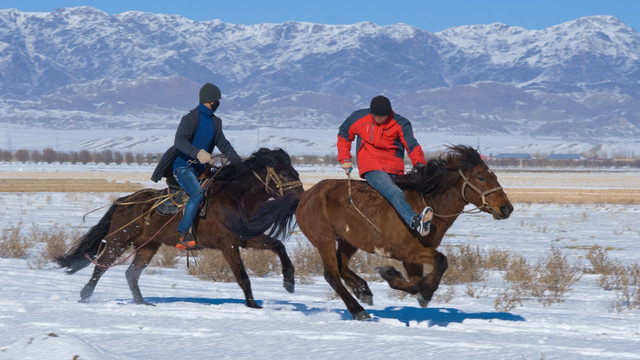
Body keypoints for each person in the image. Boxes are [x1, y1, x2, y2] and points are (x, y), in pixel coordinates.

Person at [151, 83, 242, 250]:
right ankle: (183, 235)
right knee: (197, 194)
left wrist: (241, 165)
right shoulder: (190, 118)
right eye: (217, 100)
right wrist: (199, 153)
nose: (218, 103)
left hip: (201, 170)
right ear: (211, 100)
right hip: (183, 167)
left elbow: (225, 146)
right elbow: (179, 142)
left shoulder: (215, 122)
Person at [337, 95, 433, 236]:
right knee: (395, 192)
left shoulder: (401, 123)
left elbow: (412, 145)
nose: (378, 120)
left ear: (389, 114)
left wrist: (420, 165)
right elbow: (344, 133)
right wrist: (345, 159)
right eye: (375, 116)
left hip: (394, 168)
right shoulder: (359, 118)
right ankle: (415, 222)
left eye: (382, 117)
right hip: (371, 167)